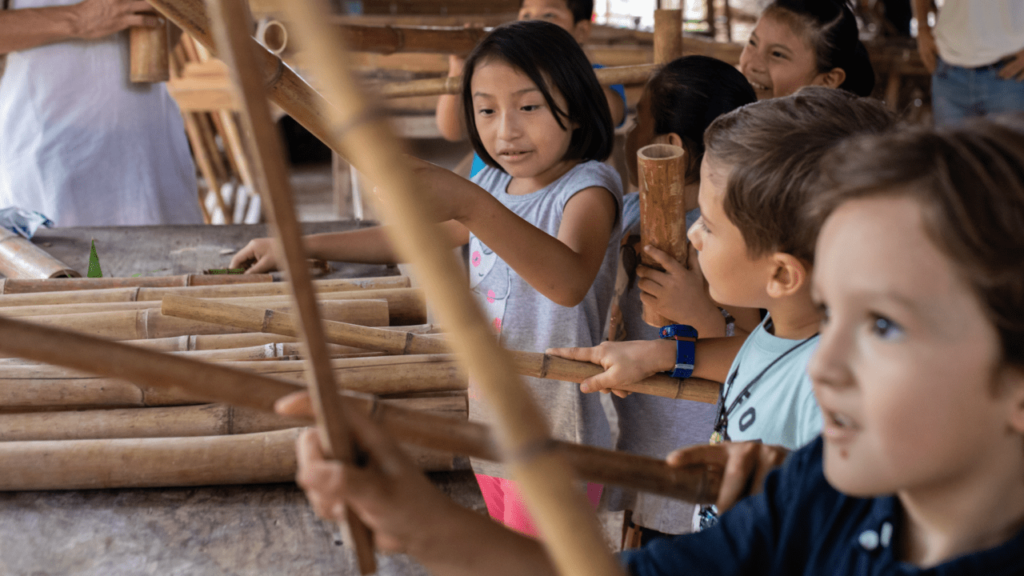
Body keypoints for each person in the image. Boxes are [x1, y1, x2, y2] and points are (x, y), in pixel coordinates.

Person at [280, 115, 1024, 576]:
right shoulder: (822, 493)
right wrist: (417, 523)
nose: (825, 365)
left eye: (884, 327)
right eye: (833, 314)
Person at [231, 20, 622, 535]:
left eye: (529, 106)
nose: (506, 129)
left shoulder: (587, 189)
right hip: (493, 416)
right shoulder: (496, 184)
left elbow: (567, 282)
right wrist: (296, 245)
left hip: (560, 430)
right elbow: (411, 236)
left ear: (575, 101)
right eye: (486, 110)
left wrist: (467, 200)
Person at [554, 87, 895, 529]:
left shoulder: (831, 396)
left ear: (782, 276)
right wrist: (661, 355)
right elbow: (759, 357)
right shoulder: (791, 327)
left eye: (708, 227)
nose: (693, 236)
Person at [607, 54, 756, 546]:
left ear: (667, 146)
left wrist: (701, 316)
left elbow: (764, 353)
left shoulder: (733, 238)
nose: (628, 134)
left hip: (705, 472)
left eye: (636, 122)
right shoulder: (631, 212)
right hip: (648, 451)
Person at [0, 0, 203, 227]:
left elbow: (169, 38)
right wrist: (76, 18)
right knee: (62, 259)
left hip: (148, 146)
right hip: (50, 153)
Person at [435, 0, 626, 157]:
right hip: (491, 191)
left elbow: (607, 116)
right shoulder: (498, 74)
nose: (532, 23)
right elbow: (452, 131)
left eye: (549, 15)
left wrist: (573, 66)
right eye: (526, 15)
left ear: (581, 31)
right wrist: (459, 67)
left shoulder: (601, 77)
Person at [913, 0, 1024, 126]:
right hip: (949, 71)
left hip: (1010, 75)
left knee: (1008, 146)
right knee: (951, 146)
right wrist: (922, 28)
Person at [739, 0, 875, 100]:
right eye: (752, 43)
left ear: (827, 80)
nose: (752, 65)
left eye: (777, 54)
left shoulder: (813, 137)